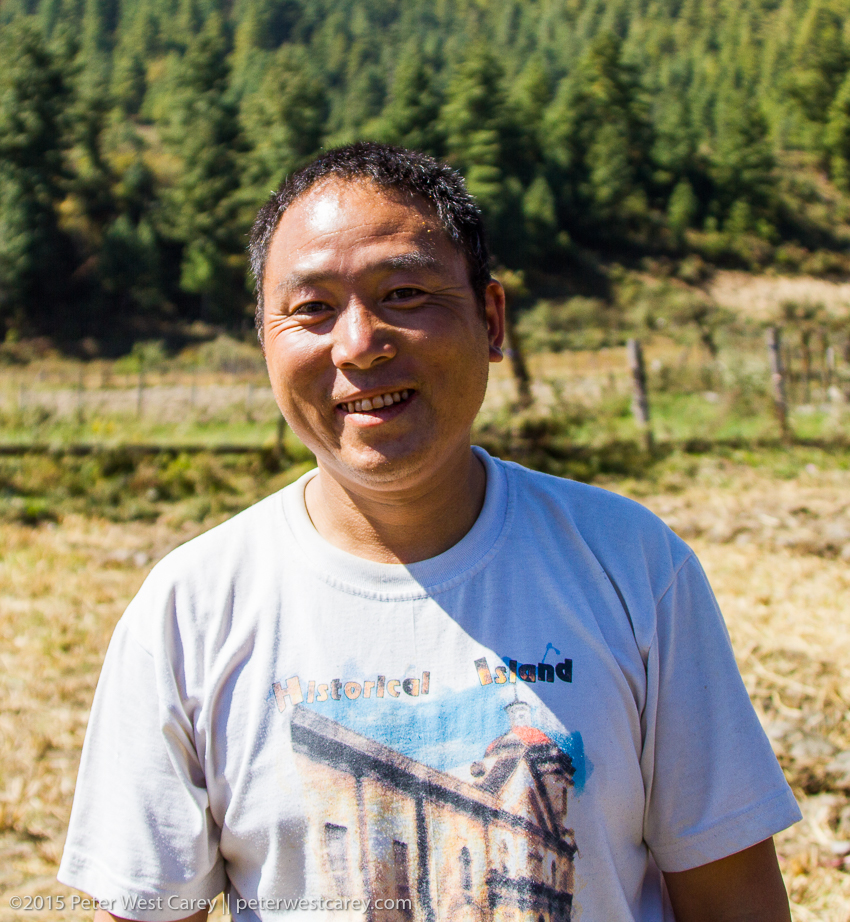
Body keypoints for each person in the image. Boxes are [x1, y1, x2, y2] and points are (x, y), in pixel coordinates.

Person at [59, 142, 800, 922]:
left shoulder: (633, 566)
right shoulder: (190, 610)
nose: (357, 344)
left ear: (490, 318)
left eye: (405, 292)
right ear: (265, 342)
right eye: (311, 308)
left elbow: (733, 896)